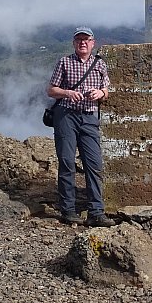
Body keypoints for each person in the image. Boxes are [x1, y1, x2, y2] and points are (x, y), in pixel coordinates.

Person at [46, 27, 116, 227]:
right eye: (79, 40)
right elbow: (51, 90)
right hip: (66, 116)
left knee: (94, 164)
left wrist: (100, 94)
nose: (82, 43)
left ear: (93, 43)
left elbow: (106, 89)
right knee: (67, 162)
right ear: (74, 43)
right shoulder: (64, 62)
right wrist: (68, 93)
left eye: (86, 39)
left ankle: (96, 211)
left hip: (89, 117)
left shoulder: (99, 64)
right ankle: (68, 210)